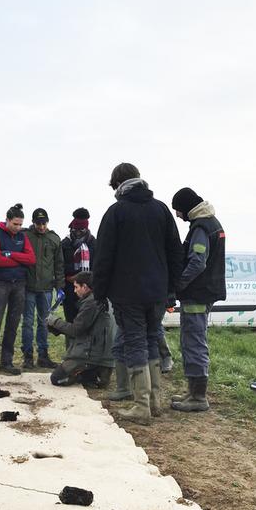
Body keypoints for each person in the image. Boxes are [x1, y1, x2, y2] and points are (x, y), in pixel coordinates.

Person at [93, 163, 183, 425]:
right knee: (152, 338)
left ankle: (141, 406)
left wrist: (99, 292)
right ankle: (154, 402)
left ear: (117, 184)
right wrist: (171, 289)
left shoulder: (116, 212)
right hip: (157, 291)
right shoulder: (161, 210)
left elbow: (103, 257)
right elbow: (175, 252)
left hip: (127, 292)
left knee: (134, 342)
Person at [169, 187, 226, 412]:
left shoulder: (202, 227)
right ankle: (192, 392)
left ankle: (198, 397)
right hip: (204, 291)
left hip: (198, 293)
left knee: (193, 342)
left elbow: (197, 262)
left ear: (186, 208)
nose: (177, 215)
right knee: (194, 340)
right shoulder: (210, 222)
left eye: (177, 210)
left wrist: (179, 284)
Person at [0, 203, 35, 375]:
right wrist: (20, 260)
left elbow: (31, 259)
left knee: (13, 324)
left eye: (20, 224)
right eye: (15, 224)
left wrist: (10, 254)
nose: (18, 228)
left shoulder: (23, 237)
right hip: (1, 284)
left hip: (19, 284)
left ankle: (6, 362)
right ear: (7, 220)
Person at [46, 271, 114, 388]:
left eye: (76, 287)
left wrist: (55, 321)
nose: (74, 290)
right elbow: (83, 329)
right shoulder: (100, 298)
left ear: (85, 287)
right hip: (103, 355)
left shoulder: (91, 303)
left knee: (56, 378)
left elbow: (76, 330)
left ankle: (88, 375)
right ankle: (92, 375)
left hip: (92, 356)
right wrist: (58, 328)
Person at [21, 208, 64, 370]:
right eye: (38, 223)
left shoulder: (54, 239)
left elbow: (59, 265)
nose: (41, 226)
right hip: (28, 287)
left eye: (44, 223)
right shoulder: (25, 236)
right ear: (33, 222)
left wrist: (60, 288)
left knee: (44, 322)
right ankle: (27, 356)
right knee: (27, 322)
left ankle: (43, 356)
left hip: (46, 289)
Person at [61, 208, 95, 322]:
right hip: (69, 287)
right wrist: (69, 278)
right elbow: (60, 264)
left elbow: (96, 265)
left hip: (88, 288)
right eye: (76, 229)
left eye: (82, 229)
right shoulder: (65, 243)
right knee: (70, 319)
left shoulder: (94, 244)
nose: (79, 232)